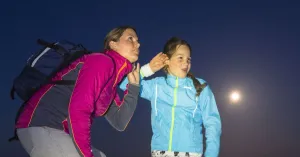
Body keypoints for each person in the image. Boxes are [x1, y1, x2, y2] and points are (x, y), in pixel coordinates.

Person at [14, 26, 141, 157]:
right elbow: (78, 109)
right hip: (42, 125)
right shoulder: (101, 62)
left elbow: (119, 121)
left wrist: (134, 88)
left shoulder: (111, 84)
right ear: (113, 44)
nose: (137, 44)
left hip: (61, 132)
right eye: (130, 38)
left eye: (137, 41)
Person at [120, 37, 222, 157]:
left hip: (191, 153)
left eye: (188, 59)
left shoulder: (200, 87)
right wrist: (149, 69)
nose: (186, 63)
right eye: (180, 58)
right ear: (166, 60)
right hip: (160, 152)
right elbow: (124, 84)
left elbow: (213, 123)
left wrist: (211, 154)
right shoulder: (156, 86)